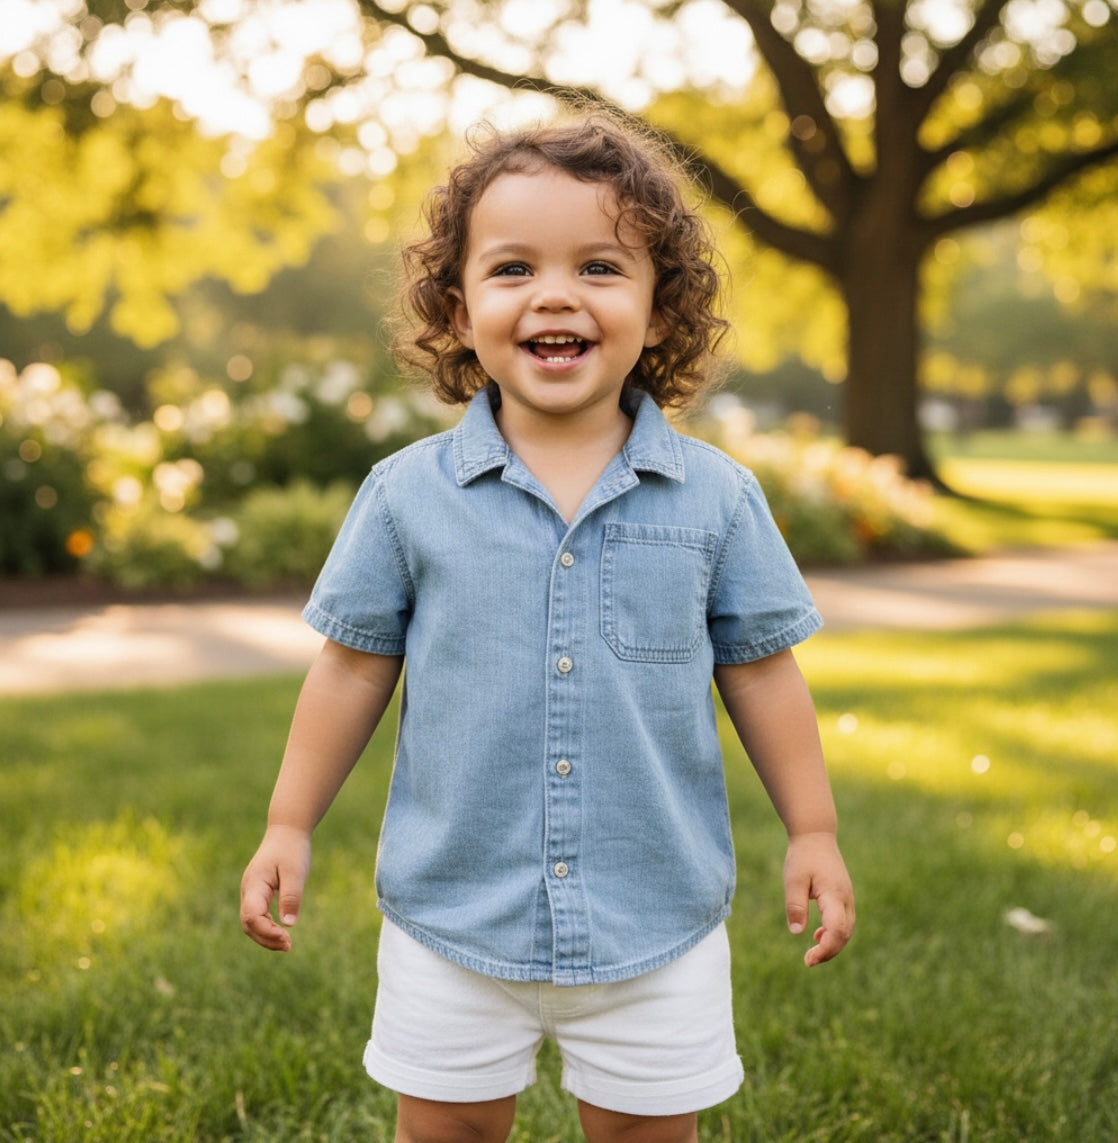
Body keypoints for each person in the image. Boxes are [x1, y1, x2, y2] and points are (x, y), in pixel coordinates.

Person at [240, 111, 855, 1143]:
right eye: (513, 268)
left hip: (653, 915)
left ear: (661, 312)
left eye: (601, 267)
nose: (555, 294)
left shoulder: (714, 498)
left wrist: (813, 830)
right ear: (459, 306)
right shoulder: (405, 497)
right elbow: (350, 671)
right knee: (447, 1131)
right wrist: (288, 824)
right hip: (454, 914)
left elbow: (757, 674)